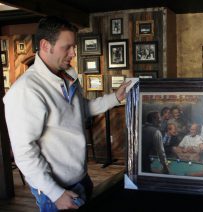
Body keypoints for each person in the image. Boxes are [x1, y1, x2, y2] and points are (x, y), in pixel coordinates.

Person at [3, 16, 131, 211]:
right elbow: (24, 153)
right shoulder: (26, 91)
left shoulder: (68, 75)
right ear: (46, 45)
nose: (73, 53)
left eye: (74, 47)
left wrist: (116, 97)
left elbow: (82, 109)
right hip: (55, 192)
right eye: (67, 47)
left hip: (81, 178)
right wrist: (55, 193)